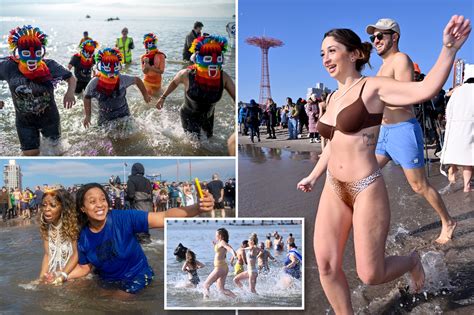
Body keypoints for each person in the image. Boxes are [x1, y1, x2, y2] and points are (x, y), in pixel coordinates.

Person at [297, 16, 470, 313]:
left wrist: (448, 50)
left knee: (371, 274)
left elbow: (424, 90)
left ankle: (413, 261)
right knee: (326, 265)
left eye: (332, 50)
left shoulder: (374, 87)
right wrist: (313, 174)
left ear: (353, 54)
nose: (326, 58)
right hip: (333, 188)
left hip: (365, 188)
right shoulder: (332, 96)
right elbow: (333, 145)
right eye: (322, 53)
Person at [366, 18, 457, 244]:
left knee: (419, 185)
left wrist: (376, 100)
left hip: (402, 130)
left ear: (394, 37)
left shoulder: (401, 59)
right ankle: (375, 224)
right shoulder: (382, 66)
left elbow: (406, 96)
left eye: (380, 36)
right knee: (364, 175)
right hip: (384, 133)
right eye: (373, 37)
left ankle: (448, 221)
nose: (375, 41)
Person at [68, 183, 214, 295]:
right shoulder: (83, 236)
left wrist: (197, 208)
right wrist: (62, 276)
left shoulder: (123, 218)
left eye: (102, 199)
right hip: (107, 281)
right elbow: (84, 267)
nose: (100, 205)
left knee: (120, 299)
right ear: (82, 208)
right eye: (93, 202)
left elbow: (164, 216)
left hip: (138, 275)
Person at [0, 25, 76, 156]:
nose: (32, 58)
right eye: (26, 54)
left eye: (37, 53)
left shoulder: (50, 65)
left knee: (56, 153)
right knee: (31, 154)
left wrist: (70, 93)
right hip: (24, 122)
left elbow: (71, 78)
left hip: (50, 119)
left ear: (42, 51)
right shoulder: (9, 67)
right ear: (18, 52)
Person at [156, 35, 235, 139]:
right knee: (195, 145)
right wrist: (163, 97)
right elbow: (174, 82)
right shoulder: (187, 74)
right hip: (189, 115)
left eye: (217, 58)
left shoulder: (223, 77)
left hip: (208, 116)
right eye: (208, 58)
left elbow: (235, 96)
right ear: (197, 57)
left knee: (209, 140)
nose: (213, 63)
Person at [82, 48, 151, 128]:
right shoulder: (95, 82)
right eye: (108, 68)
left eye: (114, 68)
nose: (111, 73)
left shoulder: (122, 79)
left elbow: (137, 80)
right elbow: (86, 96)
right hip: (105, 117)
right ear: (100, 66)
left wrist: (145, 95)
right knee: (102, 136)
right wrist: (88, 116)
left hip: (124, 114)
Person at [440, 72, 474, 192]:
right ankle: (467, 186)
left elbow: (448, 110)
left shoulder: (457, 91)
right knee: (468, 159)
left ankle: (452, 169)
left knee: (456, 152)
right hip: (470, 126)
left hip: (455, 127)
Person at [38, 189, 79, 285]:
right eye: (44, 205)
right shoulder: (46, 226)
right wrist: (41, 278)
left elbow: (76, 254)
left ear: (63, 207)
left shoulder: (74, 226)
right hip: (58, 272)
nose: (47, 209)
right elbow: (48, 255)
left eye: (53, 205)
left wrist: (62, 274)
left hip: (76, 271)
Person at [203, 228, 237, 298]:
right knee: (221, 289)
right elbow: (221, 251)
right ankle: (236, 298)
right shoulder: (220, 243)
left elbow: (229, 248)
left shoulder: (222, 242)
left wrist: (234, 254)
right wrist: (215, 245)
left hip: (219, 268)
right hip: (223, 268)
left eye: (216, 235)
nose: (215, 236)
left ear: (221, 236)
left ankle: (206, 301)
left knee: (206, 285)